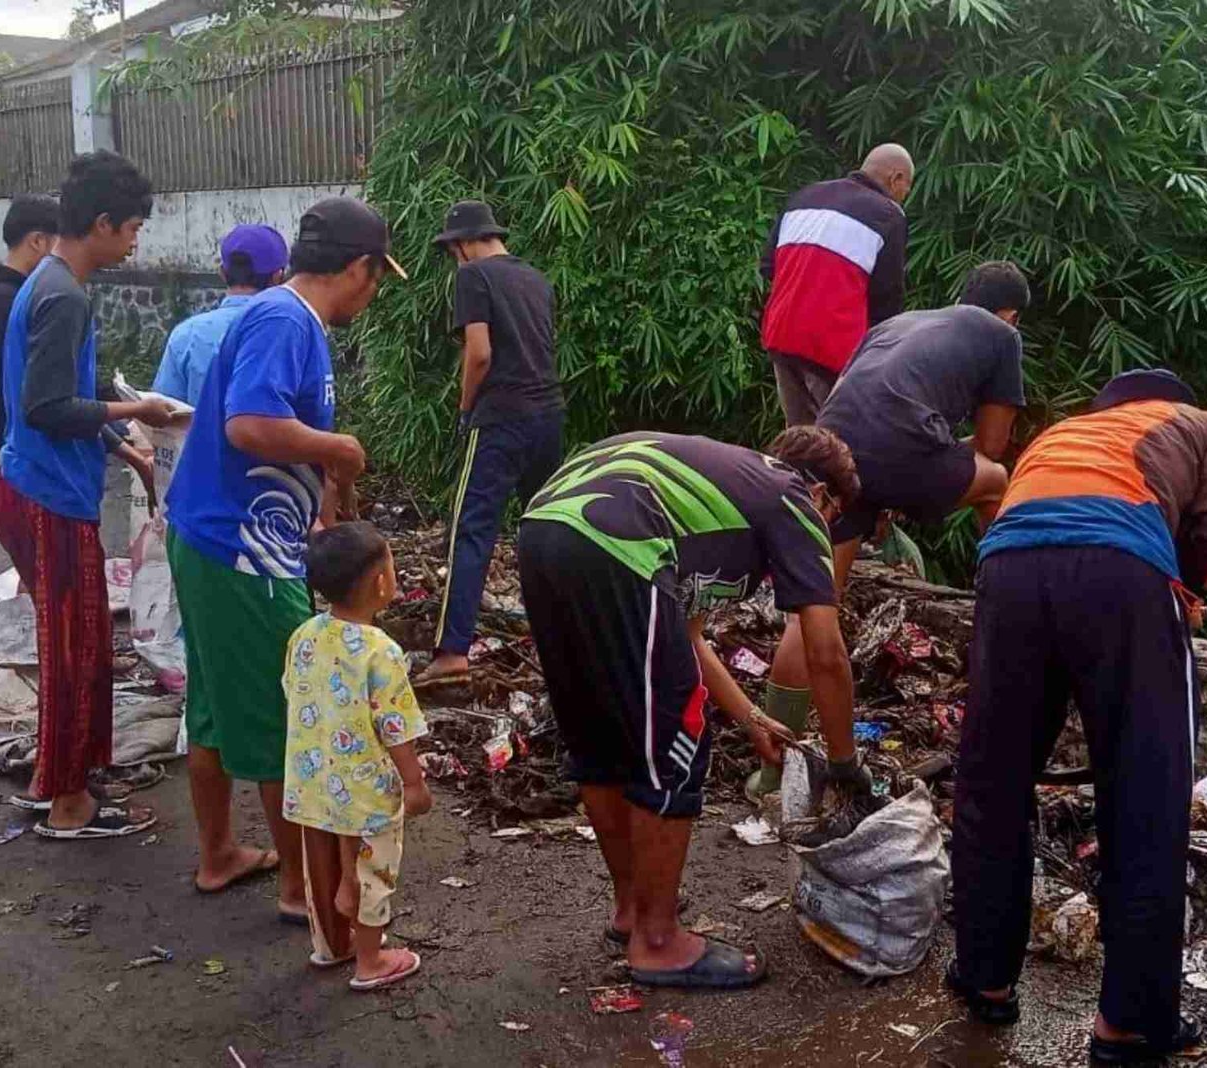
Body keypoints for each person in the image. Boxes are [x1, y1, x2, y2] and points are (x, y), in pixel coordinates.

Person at [947, 369, 1207, 1064]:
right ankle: (1130, 1022)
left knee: (992, 782)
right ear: (1174, 398)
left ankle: (985, 978)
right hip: (1122, 573)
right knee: (1146, 797)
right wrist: (1180, 582)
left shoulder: (1059, 434)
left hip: (1007, 574)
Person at [517, 426, 868, 989]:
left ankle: (633, 910)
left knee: (602, 734)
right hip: (618, 542)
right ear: (825, 496)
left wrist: (753, 718)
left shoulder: (732, 483)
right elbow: (825, 653)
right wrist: (846, 766)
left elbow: (688, 634)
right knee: (677, 739)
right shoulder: (794, 496)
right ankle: (658, 942)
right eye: (837, 520)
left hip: (545, 529)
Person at [165, 196, 405, 921]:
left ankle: (219, 857)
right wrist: (338, 450)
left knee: (209, 709)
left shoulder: (289, 320)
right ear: (358, 268)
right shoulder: (283, 318)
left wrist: (323, 499)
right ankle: (301, 890)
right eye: (376, 278)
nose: (373, 293)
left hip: (222, 537)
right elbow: (250, 425)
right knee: (285, 715)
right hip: (241, 552)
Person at [759, 261, 1030, 798]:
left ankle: (772, 770)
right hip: (901, 449)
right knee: (998, 481)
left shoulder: (900, 323)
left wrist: (886, 487)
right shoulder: (1002, 337)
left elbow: (856, 400)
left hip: (835, 453)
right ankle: (1009, 605)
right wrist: (922, 475)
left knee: (815, 606)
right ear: (1011, 314)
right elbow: (992, 447)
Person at [0, 150, 185, 838]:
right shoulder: (63, 294)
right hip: (47, 494)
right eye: (132, 228)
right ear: (102, 223)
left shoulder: (51, 281)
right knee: (79, 651)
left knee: (74, 642)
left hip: (38, 484)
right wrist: (138, 414)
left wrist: (123, 447)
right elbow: (47, 406)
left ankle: (56, 782)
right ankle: (71, 806)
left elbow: (65, 391)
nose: (135, 241)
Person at [417, 200, 565, 688]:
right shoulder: (536, 279)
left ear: (462, 244)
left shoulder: (472, 278)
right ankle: (563, 640)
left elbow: (479, 354)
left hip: (501, 418)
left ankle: (453, 650)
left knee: (472, 529)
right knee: (543, 532)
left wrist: (464, 410)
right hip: (548, 416)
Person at [283, 521, 431, 991]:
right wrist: (414, 783)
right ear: (380, 583)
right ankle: (370, 960)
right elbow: (396, 725)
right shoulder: (379, 650)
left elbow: (292, 691)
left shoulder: (304, 634)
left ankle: (330, 945)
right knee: (374, 868)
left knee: (329, 858)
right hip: (366, 784)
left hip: (312, 777)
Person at [760, 143, 914, 426]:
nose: (904, 196)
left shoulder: (805, 196)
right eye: (907, 188)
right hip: (831, 347)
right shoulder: (889, 215)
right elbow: (886, 302)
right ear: (897, 178)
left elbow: (768, 266)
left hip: (781, 335)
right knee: (839, 440)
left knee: (799, 437)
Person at [152, 224, 289, 407]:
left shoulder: (186, 334)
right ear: (277, 277)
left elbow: (164, 413)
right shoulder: (293, 332)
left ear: (223, 274)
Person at [0, 193, 60, 450]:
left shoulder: (12, 292)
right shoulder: (2, 299)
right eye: (60, 243)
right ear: (38, 241)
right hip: (19, 439)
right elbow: (26, 372)